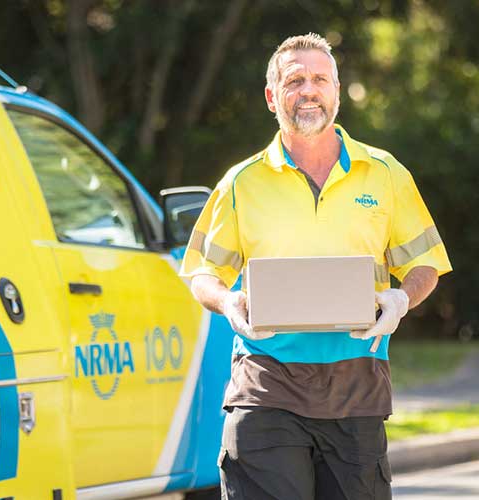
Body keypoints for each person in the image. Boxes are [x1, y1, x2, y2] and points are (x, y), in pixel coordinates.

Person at [178, 33, 452, 500]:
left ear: (337, 91)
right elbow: (202, 271)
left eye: (320, 79)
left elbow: (425, 262)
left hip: (357, 386)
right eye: (295, 80)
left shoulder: (385, 173)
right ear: (271, 97)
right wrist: (229, 302)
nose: (309, 90)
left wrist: (402, 298)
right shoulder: (240, 183)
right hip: (266, 385)